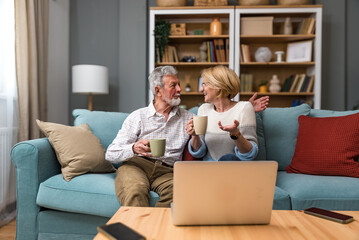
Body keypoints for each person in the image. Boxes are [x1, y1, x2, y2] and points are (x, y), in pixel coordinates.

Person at [106, 65, 268, 208]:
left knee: (181, 194)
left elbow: (221, 115)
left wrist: (246, 109)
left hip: (168, 171)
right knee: (135, 191)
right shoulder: (138, 117)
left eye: (179, 85)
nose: (179, 89)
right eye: (173, 85)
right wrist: (134, 148)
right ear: (158, 90)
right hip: (137, 165)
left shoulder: (189, 117)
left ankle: (158, 231)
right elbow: (111, 153)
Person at [185, 65, 265, 161]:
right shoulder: (203, 109)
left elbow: (249, 154)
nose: (202, 89)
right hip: (210, 169)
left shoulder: (244, 108)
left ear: (218, 86)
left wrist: (235, 133)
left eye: (204, 84)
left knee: (228, 158)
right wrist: (195, 135)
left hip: (235, 169)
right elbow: (199, 153)